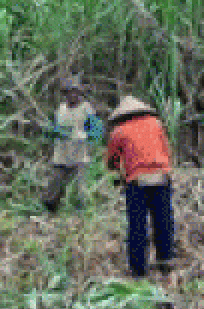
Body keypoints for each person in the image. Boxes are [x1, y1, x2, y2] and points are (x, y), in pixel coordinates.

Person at [105, 95, 175, 277]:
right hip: (161, 176)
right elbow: (166, 151)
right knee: (163, 220)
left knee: (137, 225)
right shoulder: (156, 124)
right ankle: (165, 260)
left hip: (138, 180)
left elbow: (111, 160)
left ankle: (138, 269)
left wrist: (118, 170)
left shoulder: (119, 131)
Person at [42, 76, 102, 212]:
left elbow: (97, 131)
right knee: (55, 184)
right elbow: (51, 130)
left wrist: (85, 136)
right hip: (61, 153)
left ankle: (83, 214)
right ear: (66, 94)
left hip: (79, 154)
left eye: (76, 92)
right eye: (70, 92)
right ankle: (51, 211)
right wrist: (54, 132)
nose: (73, 95)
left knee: (80, 188)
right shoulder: (61, 109)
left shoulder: (87, 109)